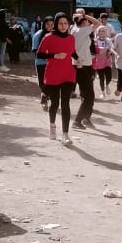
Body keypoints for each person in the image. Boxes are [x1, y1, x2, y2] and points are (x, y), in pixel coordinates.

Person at [35, 12, 77, 145]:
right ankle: (52, 127)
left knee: (65, 104)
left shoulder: (71, 38)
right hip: (53, 75)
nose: (63, 26)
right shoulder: (48, 37)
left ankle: (65, 134)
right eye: (60, 23)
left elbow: (73, 52)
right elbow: (39, 54)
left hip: (68, 74)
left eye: (65, 23)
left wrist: (78, 59)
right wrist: (54, 56)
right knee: (54, 104)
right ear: (56, 24)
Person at [70, 8, 99, 130]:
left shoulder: (75, 29)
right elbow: (97, 23)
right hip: (82, 66)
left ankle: (85, 118)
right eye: (86, 21)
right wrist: (84, 15)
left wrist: (79, 17)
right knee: (88, 96)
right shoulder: (81, 30)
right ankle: (78, 120)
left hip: (85, 64)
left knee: (88, 95)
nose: (88, 22)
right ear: (83, 22)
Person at [32, 15, 54, 108]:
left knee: (51, 83)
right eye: (47, 24)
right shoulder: (38, 35)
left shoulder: (55, 35)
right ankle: (44, 96)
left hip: (52, 63)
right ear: (44, 24)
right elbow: (35, 51)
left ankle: (46, 98)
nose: (50, 26)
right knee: (42, 83)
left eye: (52, 24)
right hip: (41, 63)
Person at [92, 13, 116, 99]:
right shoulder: (95, 41)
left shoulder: (108, 40)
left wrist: (110, 52)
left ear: (105, 32)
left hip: (107, 61)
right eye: (100, 31)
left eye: (103, 31)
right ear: (97, 32)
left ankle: (107, 85)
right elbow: (93, 52)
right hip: (99, 62)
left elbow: (112, 48)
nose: (101, 32)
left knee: (109, 76)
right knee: (101, 78)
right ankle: (102, 92)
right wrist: (96, 53)